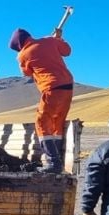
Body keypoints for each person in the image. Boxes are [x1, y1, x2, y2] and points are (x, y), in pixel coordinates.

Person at [9, 27, 73, 173]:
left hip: (52, 87)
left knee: (42, 122)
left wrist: (21, 58)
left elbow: (26, 73)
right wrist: (57, 39)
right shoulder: (49, 40)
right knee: (56, 122)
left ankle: (53, 162)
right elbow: (67, 51)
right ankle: (57, 159)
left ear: (18, 46)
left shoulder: (23, 54)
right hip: (67, 85)